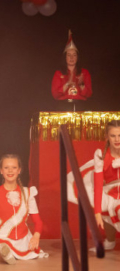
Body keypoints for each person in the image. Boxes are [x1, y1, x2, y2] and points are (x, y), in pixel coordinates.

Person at [92, 120, 120, 250]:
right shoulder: (101, 156)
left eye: (119, 135)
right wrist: (97, 212)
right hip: (111, 194)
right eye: (113, 136)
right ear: (107, 137)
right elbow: (98, 185)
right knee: (106, 209)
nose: (117, 139)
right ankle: (110, 240)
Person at [51, 30, 92, 111]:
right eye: (69, 55)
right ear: (65, 57)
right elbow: (55, 95)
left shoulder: (84, 73)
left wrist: (81, 85)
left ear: (77, 57)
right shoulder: (58, 73)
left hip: (81, 106)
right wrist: (67, 84)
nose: (72, 58)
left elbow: (89, 94)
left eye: (74, 55)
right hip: (63, 106)